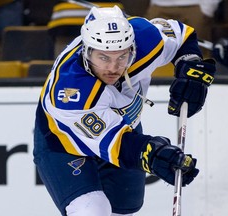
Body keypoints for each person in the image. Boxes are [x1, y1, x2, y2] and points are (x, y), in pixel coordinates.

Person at [33, 5, 216, 216]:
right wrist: (156, 154)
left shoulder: (146, 37)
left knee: (125, 208)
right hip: (63, 141)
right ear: (86, 51)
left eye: (122, 57)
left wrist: (190, 68)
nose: (113, 68)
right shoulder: (70, 93)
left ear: (132, 48)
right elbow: (120, 145)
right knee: (92, 209)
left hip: (123, 126)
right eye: (103, 57)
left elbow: (183, 36)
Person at [144, 0, 222, 42]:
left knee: (199, 53)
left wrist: (208, 9)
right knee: (152, 51)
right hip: (158, 6)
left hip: (195, 7)